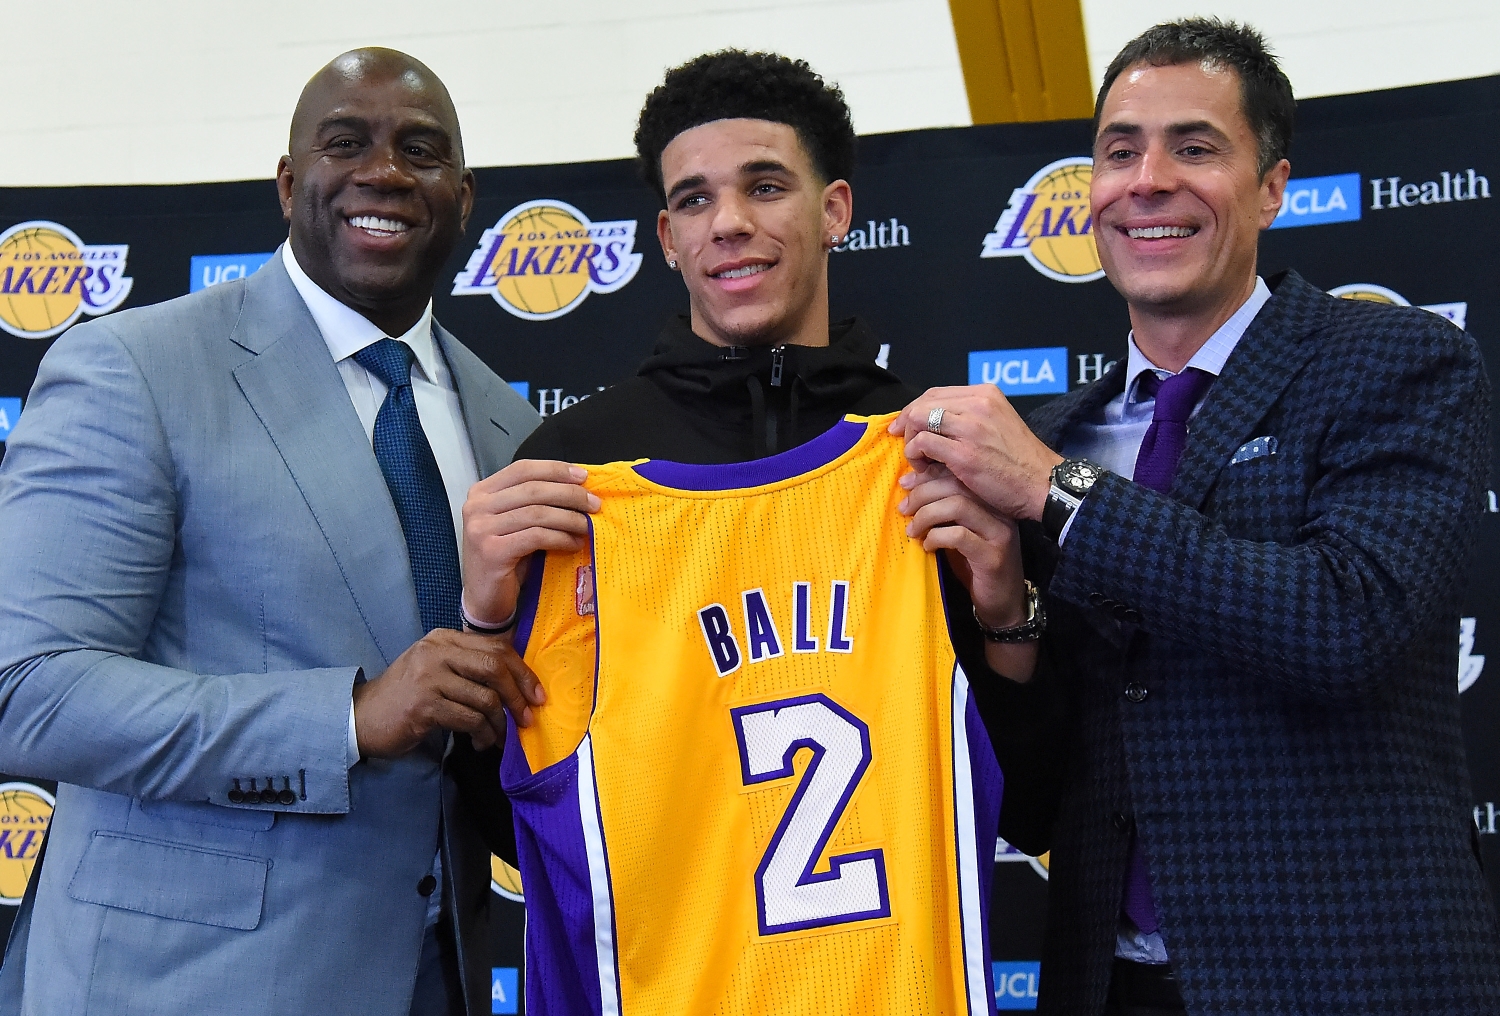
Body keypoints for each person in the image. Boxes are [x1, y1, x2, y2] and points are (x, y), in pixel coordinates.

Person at [892, 18, 1500, 1015]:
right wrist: (1007, 611)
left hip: (1349, 985)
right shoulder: (1054, 435)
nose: (1148, 178)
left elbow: (1345, 623)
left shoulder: (1399, 360)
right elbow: (1037, 800)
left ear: (1273, 185)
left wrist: (1057, 492)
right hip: (1110, 984)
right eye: (1119, 150)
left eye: (1196, 146)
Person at [455, 50, 1057, 1012]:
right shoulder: (575, 472)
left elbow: (1030, 799)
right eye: (694, 200)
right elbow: (505, 819)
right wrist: (484, 624)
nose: (728, 222)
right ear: (664, 235)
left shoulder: (930, 451)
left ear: (836, 211)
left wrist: (1006, 612)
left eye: (766, 186)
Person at [0, 48, 540, 1016]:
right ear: (291, 183)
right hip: (171, 987)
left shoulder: (510, 427)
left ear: (464, 199)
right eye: (347, 143)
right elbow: (25, 690)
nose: (384, 172)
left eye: (420, 150)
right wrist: (345, 717)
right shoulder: (139, 369)